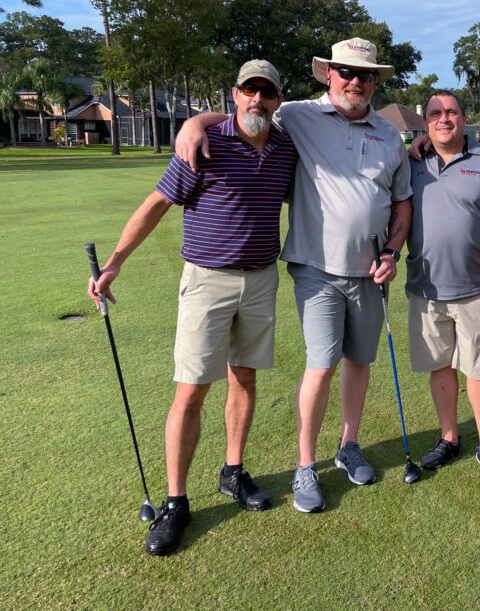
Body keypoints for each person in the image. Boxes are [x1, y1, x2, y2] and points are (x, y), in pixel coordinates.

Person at [175, 38, 411, 514]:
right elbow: (247, 114)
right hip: (316, 267)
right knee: (321, 365)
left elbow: (402, 200)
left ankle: (348, 445)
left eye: (365, 75)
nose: (355, 81)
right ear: (329, 74)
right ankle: (306, 464)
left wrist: (392, 250)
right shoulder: (298, 114)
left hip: (371, 269)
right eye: (346, 72)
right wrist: (195, 121)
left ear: (375, 82)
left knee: (359, 361)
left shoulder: (389, 134)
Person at [87, 60, 297, 555]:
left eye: (267, 92)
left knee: (245, 379)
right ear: (235, 94)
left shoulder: (287, 147)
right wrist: (115, 263)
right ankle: (175, 501)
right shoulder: (205, 142)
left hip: (262, 279)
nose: (258, 100)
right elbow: (157, 204)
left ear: (278, 100)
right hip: (207, 281)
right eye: (250, 90)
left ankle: (233, 470)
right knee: (192, 390)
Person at [405, 91, 480, 483]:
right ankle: (449, 438)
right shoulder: (412, 162)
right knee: (440, 367)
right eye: (435, 114)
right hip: (425, 289)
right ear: (425, 122)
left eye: (451, 112)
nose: (444, 119)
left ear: (465, 119)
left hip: (477, 287)